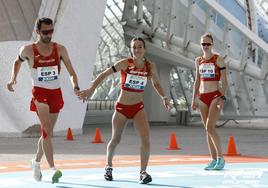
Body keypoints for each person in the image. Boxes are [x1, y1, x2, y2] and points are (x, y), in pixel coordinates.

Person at [78, 37, 170, 184]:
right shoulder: (125, 63)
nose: (137, 50)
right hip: (122, 107)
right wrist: (91, 89)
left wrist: (164, 97)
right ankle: (108, 167)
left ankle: (143, 173)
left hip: (138, 107)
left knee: (145, 140)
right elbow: (104, 74)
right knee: (116, 139)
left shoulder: (150, 66)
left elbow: (156, 83)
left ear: (145, 49)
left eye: (139, 47)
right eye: (134, 47)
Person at [7, 17, 80, 183]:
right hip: (40, 93)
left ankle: (36, 162)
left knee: (47, 134)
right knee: (46, 129)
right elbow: (16, 62)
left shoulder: (60, 49)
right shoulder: (28, 50)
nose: (49, 35)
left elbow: (71, 72)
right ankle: (54, 169)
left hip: (56, 94)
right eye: (45, 32)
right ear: (38, 32)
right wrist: (13, 79)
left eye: (51, 31)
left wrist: (76, 86)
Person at [191, 33, 228, 170]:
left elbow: (224, 82)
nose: (205, 46)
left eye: (208, 44)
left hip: (215, 96)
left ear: (212, 45)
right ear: (200, 45)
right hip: (202, 97)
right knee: (207, 129)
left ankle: (221, 158)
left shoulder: (218, 59)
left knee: (210, 127)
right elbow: (197, 81)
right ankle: (213, 160)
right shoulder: (198, 60)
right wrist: (193, 98)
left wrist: (222, 97)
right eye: (203, 44)